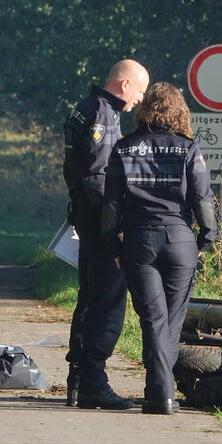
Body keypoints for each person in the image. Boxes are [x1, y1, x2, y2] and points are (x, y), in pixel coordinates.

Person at [102, 82, 217, 415]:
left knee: (152, 319)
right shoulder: (188, 149)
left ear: (145, 109)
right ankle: (162, 393)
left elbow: (111, 203)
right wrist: (205, 239)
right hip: (180, 239)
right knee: (172, 319)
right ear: (179, 110)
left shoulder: (124, 148)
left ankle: (158, 393)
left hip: (139, 240)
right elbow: (202, 199)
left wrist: (113, 242)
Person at [62, 59, 150, 409]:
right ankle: (93, 382)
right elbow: (97, 177)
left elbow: (74, 170)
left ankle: (80, 380)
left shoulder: (84, 108)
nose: (141, 100)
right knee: (108, 301)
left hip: (85, 216)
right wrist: (115, 226)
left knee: (89, 297)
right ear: (126, 85)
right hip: (99, 222)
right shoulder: (103, 114)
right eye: (140, 91)